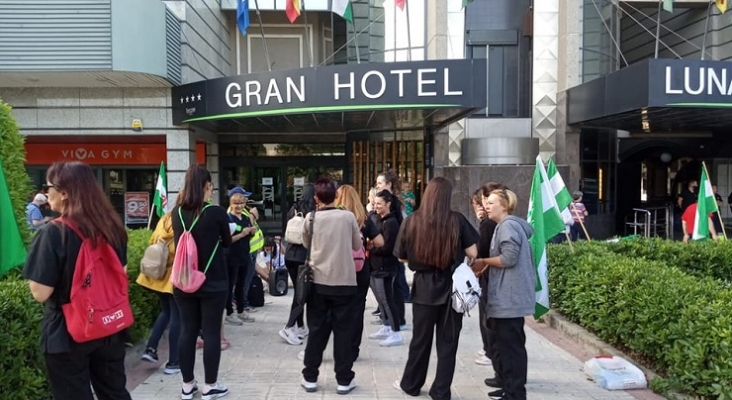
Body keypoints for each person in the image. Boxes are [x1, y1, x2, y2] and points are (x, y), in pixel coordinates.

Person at [23, 161, 131, 400]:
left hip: (68, 332)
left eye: (47, 186)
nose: (45, 192)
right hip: (109, 326)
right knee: (114, 392)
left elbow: (40, 293)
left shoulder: (54, 232)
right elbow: (121, 273)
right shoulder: (112, 227)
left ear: (65, 192)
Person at [393, 177, 479, 400]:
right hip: (452, 290)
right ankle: (441, 391)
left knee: (420, 341)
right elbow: (473, 253)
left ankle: (411, 384)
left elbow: (401, 256)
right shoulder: (457, 220)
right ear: (447, 197)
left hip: (423, 288)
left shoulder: (411, 221)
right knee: (448, 344)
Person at [172, 165, 232, 400]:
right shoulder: (216, 212)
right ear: (207, 185)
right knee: (211, 333)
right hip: (213, 282)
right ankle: (210, 385)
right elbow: (227, 243)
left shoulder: (176, 212)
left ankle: (187, 386)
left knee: (187, 331)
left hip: (183, 282)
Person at [300, 178, 362, 395]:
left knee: (316, 331)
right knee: (344, 333)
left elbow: (306, 244)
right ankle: (344, 380)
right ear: (336, 195)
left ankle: (310, 377)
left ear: (316, 198)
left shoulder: (311, 218)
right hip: (344, 282)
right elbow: (357, 245)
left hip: (317, 282)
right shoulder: (348, 217)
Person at [472, 189, 536, 400]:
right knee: (507, 346)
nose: (486, 206)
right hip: (508, 297)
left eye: (491, 202)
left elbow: (509, 258)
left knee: (512, 348)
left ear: (505, 206)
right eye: (486, 202)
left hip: (510, 298)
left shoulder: (508, 226)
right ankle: (509, 387)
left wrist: (484, 262)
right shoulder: (504, 226)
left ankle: (516, 393)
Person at [335, 184, 384, 362]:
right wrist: (367, 243)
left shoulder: (334, 217)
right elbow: (380, 241)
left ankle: (339, 347)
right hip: (360, 268)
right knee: (357, 309)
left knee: (339, 309)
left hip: (339, 269)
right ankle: (352, 349)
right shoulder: (363, 219)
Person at [137, 210, 181, 375]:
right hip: (173, 275)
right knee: (177, 317)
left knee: (166, 312)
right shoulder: (184, 220)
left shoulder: (165, 218)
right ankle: (173, 362)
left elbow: (152, 239)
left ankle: (151, 348)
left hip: (157, 275)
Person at [280, 183, 316, 345]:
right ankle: (288, 327)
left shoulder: (294, 208)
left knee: (298, 291)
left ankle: (300, 327)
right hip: (304, 257)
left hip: (290, 255)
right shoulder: (313, 212)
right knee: (302, 294)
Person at [367, 190, 404, 347]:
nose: (376, 207)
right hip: (375, 266)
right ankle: (386, 325)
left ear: (388, 204)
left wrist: (371, 247)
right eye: (374, 204)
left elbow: (388, 247)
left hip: (386, 267)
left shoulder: (391, 223)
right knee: (381, 299)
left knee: (388, 299)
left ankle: (396, 331)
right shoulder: (378, 219)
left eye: (379, 204)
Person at [224, 187, 257, 326]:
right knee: (230, 284)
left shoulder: (245, 218)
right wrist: (242, 234)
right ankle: (230, 313)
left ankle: (241, 310)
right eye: (236, 203)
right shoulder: (227, 218)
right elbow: (227, 240)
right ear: (231, 204)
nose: (239, 206)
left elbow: (249, 234)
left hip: (244, 254)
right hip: (231, 256)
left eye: (242, 203)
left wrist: (252, 232)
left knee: (241, 284)